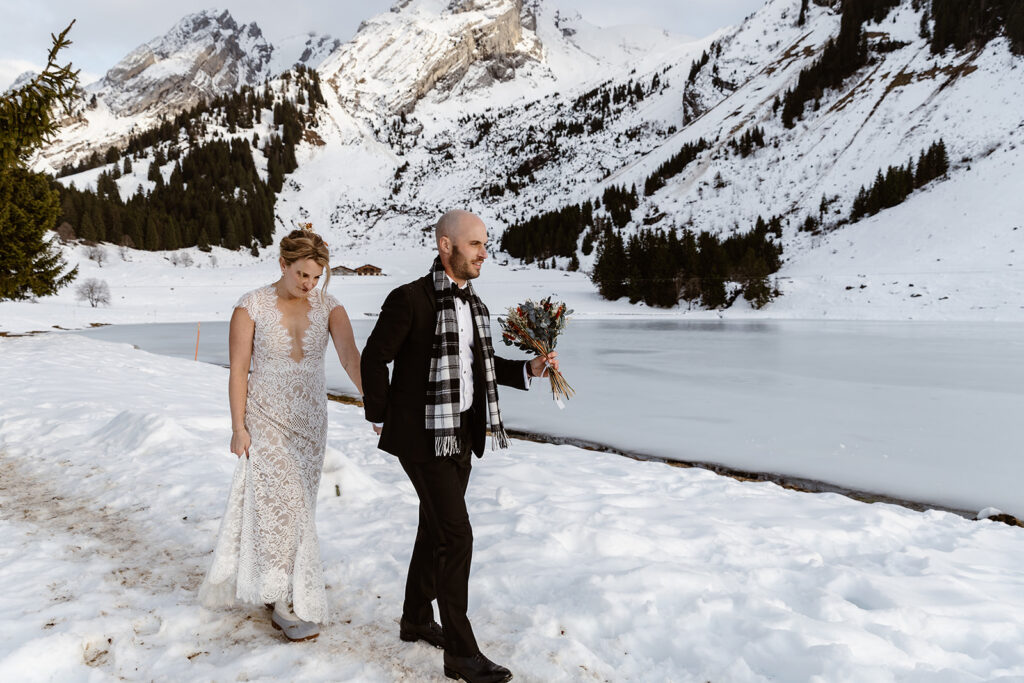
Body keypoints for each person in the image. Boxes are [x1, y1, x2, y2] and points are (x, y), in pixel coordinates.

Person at [361, 210, 559, 683]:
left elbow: (483, 367)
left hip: (462, 436)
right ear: (445, 244)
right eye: (475, 245)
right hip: (423, 439)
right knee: (457, 536)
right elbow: (374, 358)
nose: (484, 253)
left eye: (485, 245)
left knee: (435, 530)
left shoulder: (475, 306)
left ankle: (414, 617)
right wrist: (381, 414)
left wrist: (528, 371)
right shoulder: (409, 298)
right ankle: (461, 654)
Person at [199, 227, 363, 642]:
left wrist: (376, 401)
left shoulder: (330, 306)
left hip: (309, 423)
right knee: (278, 504)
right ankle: (283, 599)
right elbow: (239, 371)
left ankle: (278, 584)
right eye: (301, 275)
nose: (308, 284)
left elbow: (349, 357)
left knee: (298, 508)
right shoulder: (250, 306)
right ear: (282, 264)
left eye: (315, 276)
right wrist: (238, 427)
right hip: (265, 418)